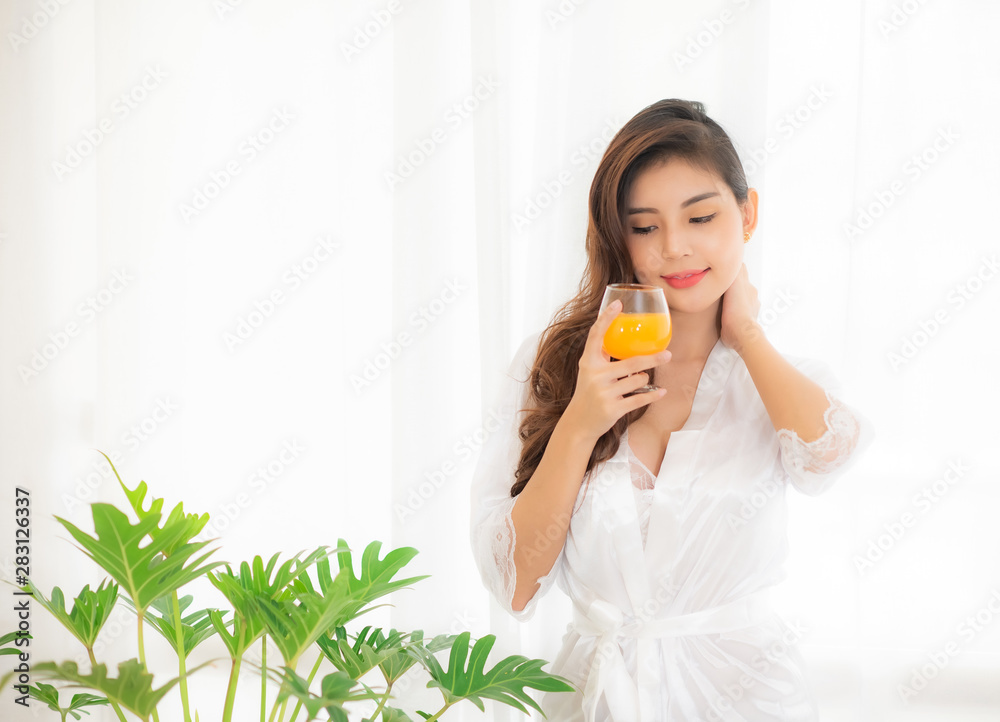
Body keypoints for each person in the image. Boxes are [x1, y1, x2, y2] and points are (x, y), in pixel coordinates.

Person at [469, 98, 875, 721]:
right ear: (618, 237)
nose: (675, 248)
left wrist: (746, 336)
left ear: (747, 214)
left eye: (700, 217)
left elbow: (827, 457)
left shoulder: (767, 376)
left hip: (745, 700)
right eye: (644, 226)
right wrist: (581, 420)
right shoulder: (554, 368)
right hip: (597, 701)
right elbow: (517, 586)